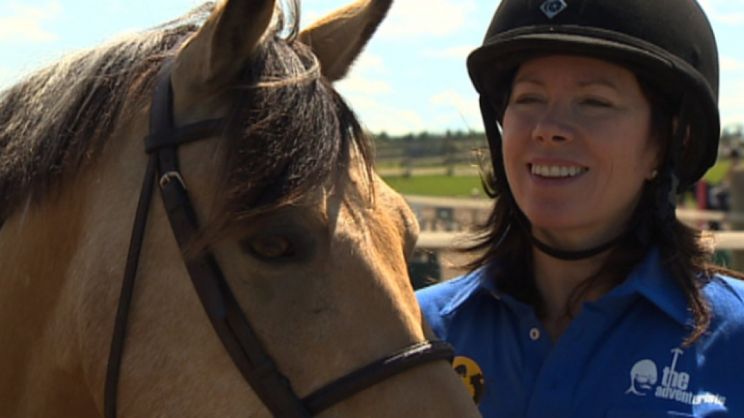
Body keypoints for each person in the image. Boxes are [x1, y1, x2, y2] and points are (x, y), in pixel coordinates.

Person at [416, 1, 744, 417]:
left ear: (667, 143)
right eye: (529, 98)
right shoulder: (417, 332)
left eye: (594, 102)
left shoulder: (734, 338)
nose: (547, 129)